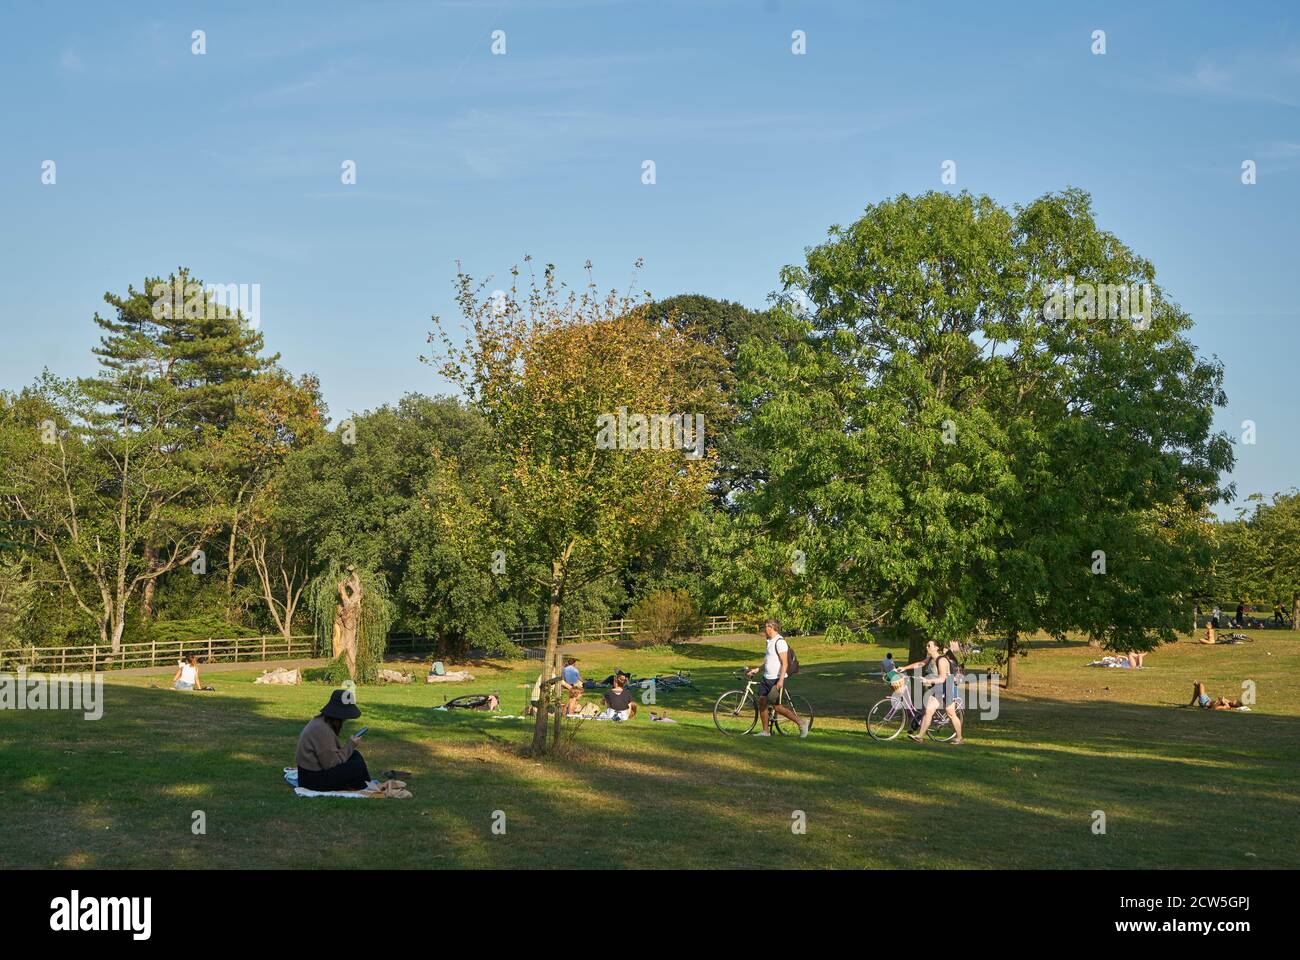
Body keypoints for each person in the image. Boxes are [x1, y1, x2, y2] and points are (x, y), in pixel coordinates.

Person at [745, 619, 810, 737]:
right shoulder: (769, 641)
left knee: (777, 707)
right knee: (762, 702)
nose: (764, 629)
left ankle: (801, 723)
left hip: (777, 679)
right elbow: (768, 661)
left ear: (772, 628)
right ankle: (765, 731)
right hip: (766, 678)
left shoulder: (780, 642)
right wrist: (757, 669)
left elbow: (784, 663)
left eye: (766, 627)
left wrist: (780, 680)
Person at [296, 690, 371, 791]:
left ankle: (365, 785)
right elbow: (331, 764)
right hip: (311, 780)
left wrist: (350, 748)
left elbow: (332, 756)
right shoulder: (322, 729)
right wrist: (350, 745)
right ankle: (365, 787)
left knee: (355, 755)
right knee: (356, 766)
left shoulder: (322, 722)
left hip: (312, 774)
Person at [899, 640, 964, 745]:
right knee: (928, 711)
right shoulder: (930, 659)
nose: (927, 647)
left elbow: (943, 679)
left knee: (950, 713)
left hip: (948, 687)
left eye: (929, 645)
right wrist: (904, 668)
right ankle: (920, 736)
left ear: (936, 648)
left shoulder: (942, 660)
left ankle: (959, 738)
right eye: (927, 645)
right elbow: (920, 663)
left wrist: (928, 681)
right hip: (938, 687)